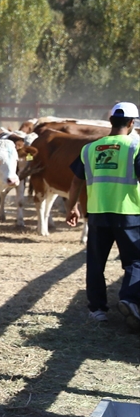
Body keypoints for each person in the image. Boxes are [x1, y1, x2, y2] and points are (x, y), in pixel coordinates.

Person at [67, 101, 140, 329]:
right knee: (136, 261)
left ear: (110, 121)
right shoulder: (135, 148)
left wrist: (72, 207)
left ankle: (97, 310)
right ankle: (129, 299)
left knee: (96, 262)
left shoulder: (89, 149)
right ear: (131, 123)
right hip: (129, 213)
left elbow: (76, 180)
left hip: (97, 213)